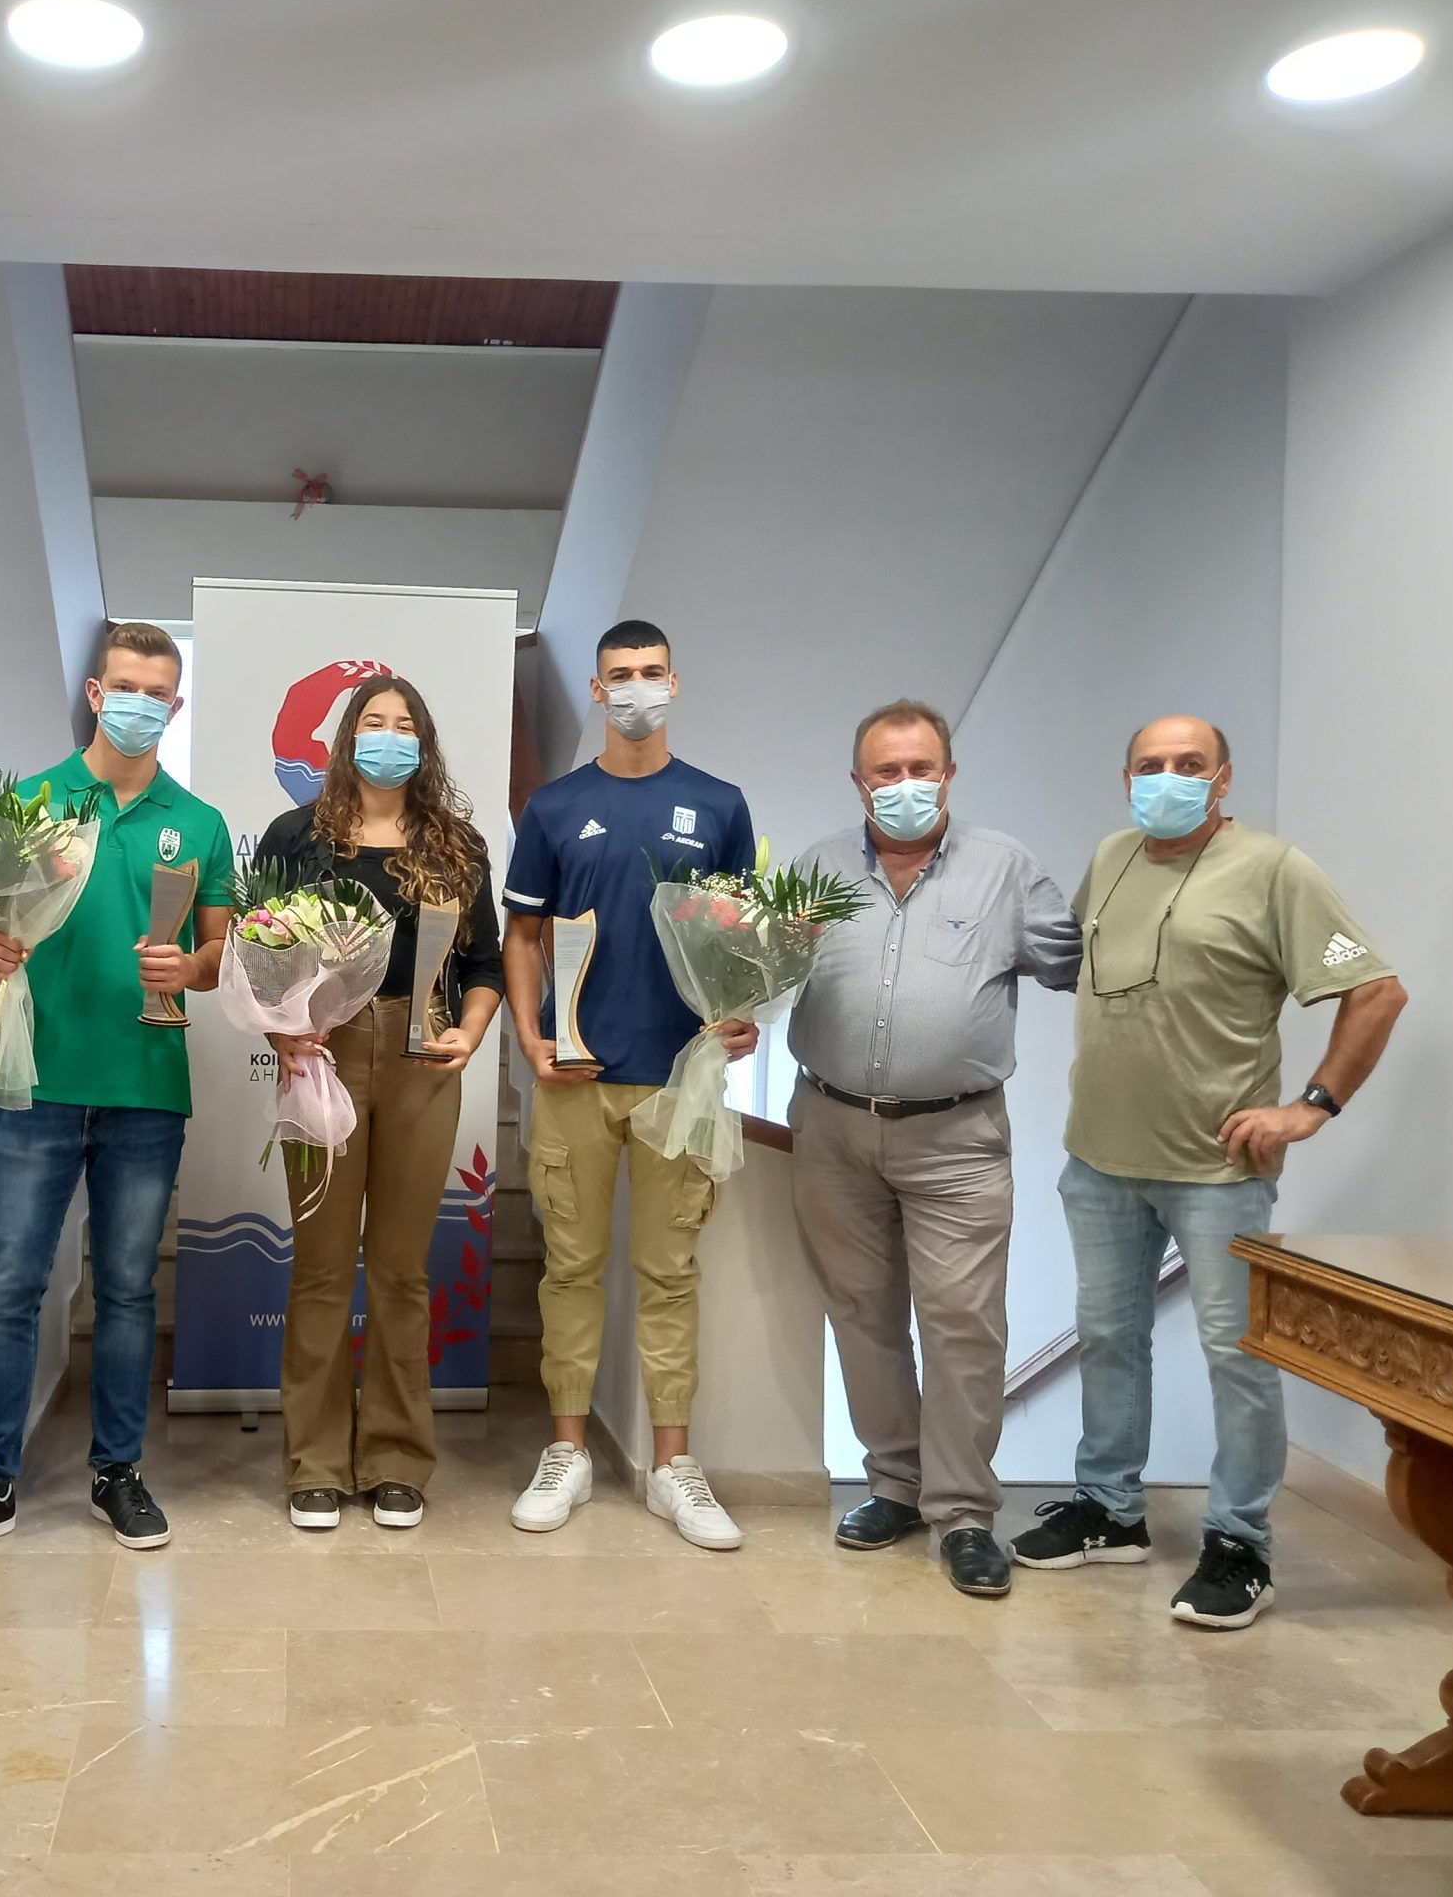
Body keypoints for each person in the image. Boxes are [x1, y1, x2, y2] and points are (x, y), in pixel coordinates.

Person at [1011, 715, 1406, 1629]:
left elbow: (1377, 990)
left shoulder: (1276, 871)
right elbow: (1080, 966)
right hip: (1099, 1157)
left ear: (1223, 779)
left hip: (1217, 1169)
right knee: (1108, 1338)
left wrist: (1311, 1105)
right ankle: (1110, 1510)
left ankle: (1240, 1543)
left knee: (1237, 1357)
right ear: (1126, 780)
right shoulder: (1111, 855)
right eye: (1150, 766)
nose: (1168, 779)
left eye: (1189, 765)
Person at [0, 621, 234, 1566]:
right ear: (96, 694)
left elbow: (219, 956)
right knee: (10, 1288)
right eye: (125, 688)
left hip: (147, 1083)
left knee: (127, 1290)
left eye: (158, 694)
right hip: (35, 1081)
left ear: (176, 707)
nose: (140, 706)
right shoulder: (30, 804)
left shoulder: (200, 823)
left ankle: (117, 1472)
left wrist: (192, 967)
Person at [786, 700, 1080, 1598]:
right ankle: (895, 1485)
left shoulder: (1006, 870)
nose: (905, 785)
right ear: (858, 781)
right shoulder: (816, 868)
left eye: (921, 769)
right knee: (862, 1314)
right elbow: (768, 971)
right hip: (832, 1127)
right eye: (887, 771)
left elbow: (1082, 966)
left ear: (949, 774)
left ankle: (964, 1513)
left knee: (962, 1323)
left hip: (957, 1138)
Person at [499, 619, 760, 1550]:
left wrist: (741, 1013)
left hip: (681, 1079)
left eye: (652, 672)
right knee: (568, 1267)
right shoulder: (555, 807)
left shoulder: (719, 804)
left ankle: (674, 1466)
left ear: (674, 683)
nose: (636, 688)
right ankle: (567, 1451)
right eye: (620, 674)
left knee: (669, 1272)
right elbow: (522, 934)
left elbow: (741, 935)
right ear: (599, 690)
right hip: (576, 1073)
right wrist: (530, 1037)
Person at [252, 677, 506, 1532]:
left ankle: (397, 1458)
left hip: (422, 1056)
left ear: (422, 745)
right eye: (373, 722)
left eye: (404, 726)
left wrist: (470, 1031)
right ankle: (316, 1461)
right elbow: (257, 954)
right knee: (322, 1266)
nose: (388, 737)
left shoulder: (456, 846)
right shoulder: (295, 837)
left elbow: (483, 964)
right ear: (347, 737)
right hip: (321, 1056)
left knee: (401, 1268)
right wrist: (283, 1032)